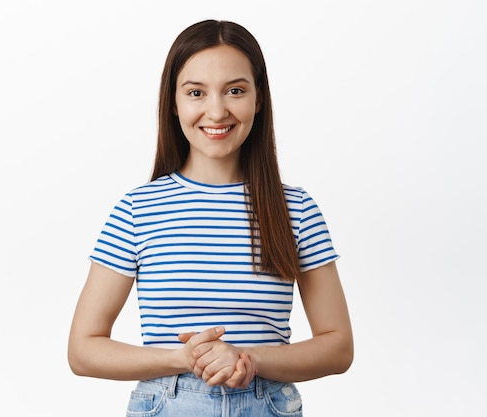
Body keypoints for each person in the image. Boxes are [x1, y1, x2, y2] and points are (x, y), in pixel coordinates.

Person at [68, 19, 353, 417]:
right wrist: (185, 358)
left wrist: (247, 358)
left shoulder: (296, 209)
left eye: (235, 90)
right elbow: (83, 349)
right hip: (167, 403)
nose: (216, 111)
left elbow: (338, 346)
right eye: (196, 92)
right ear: (174, 102)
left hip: (265, 404)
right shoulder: (137, 209)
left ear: (258, 99)